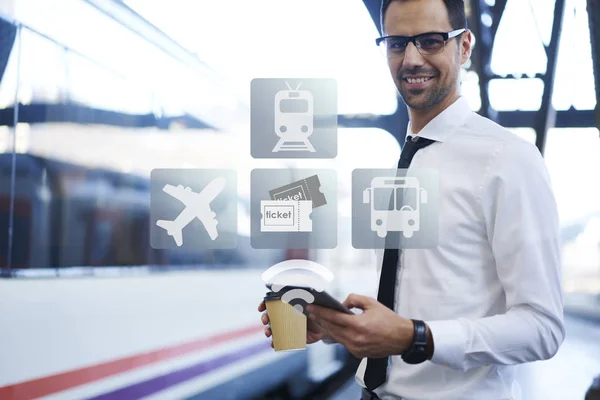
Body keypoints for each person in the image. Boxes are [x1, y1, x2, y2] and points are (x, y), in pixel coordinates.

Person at [258, 0, 565, 398]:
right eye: (397, 44)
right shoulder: (402, 164)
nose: (412, 58)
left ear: (465, 46)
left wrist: (415, 337)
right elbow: (410, 297)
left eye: (431, 41)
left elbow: (543, 328)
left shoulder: (509, 159)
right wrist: (337, 327)